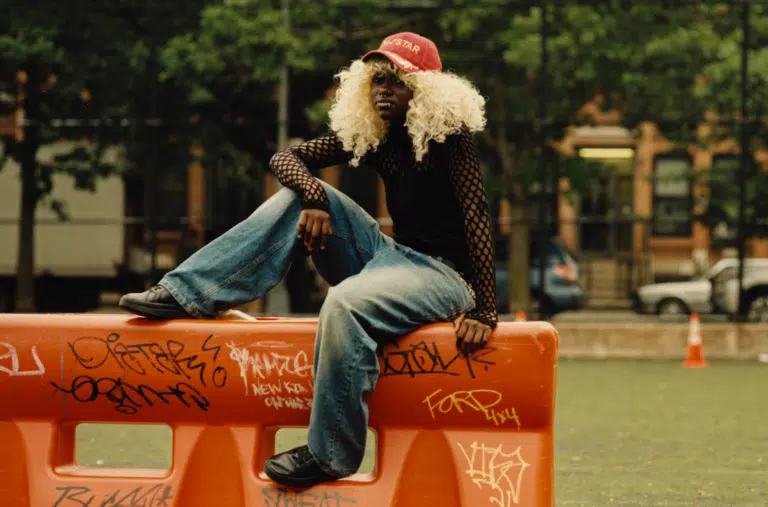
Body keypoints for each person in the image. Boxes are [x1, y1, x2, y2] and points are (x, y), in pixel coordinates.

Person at [118, 31, 498, 488]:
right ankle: (188, 291)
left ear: (425, 91)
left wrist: (485, 307)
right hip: (387, 256)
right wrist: (314, 193)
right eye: (377, 80)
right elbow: (288, 156)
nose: (382, 90)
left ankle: (332, 454)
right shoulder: (377, 139)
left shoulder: (450, 140)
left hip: (440, 274)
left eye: (396, 82)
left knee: (343, 303)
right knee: (295, 200)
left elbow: (477, 215)